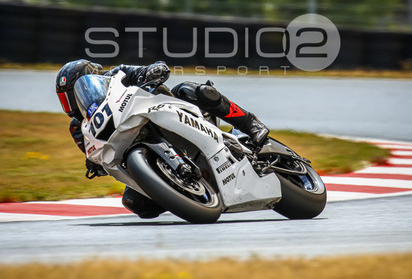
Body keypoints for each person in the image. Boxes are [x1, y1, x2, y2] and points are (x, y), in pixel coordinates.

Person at [56, 59, 269, 219]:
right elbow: (95, 153)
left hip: (168, 113)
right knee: (137, 204)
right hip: (139, 151)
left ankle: (249, 123)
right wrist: (95, 163)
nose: (71, 103)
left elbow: (143, 70)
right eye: (65, 99)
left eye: (73, 94)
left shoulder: (116, 75)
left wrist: (153, 70)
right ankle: (189, 193)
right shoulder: (79, 128)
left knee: (190, 90)